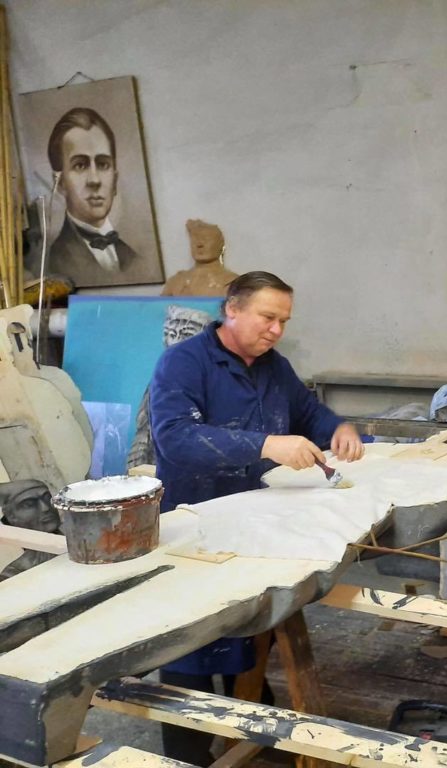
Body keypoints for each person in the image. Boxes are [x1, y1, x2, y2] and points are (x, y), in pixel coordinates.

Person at [149, 270, 364, 765]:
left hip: (257, 522)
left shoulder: (273, 366)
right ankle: (187, 752)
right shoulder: (183, 364)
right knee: (190, 644)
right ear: (232, 309)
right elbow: (176, 438)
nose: (276, 330)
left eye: (284, 321)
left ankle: (251, 723)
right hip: (195, 524)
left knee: (250, 624)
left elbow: (308, 413)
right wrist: (265, 444)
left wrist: (340, 428)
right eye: (268, 317)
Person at [46, 107, 148, 287]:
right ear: (60, 183)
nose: (95, 180)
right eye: (80, 165)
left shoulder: (134, 259)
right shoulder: (53, 264)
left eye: (103, 164)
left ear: (115, 180)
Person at [126, 305, 213, 470]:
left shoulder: (215, 381)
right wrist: (136, 464)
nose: (175, 342)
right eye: (172, 334)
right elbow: (144, 431)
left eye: (186, 335)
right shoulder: (162, 378)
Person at [0, 479, 60, 580]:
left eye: (47, 498)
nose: (45, 508)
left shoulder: (84, 538)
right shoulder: (14, 575)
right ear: (11, 516)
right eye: (29, 504)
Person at [161, 219, 239, 297]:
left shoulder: (233, 282)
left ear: (221, 245)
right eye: (195, 240)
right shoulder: (176, 282)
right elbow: (161, 304)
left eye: (206, 239)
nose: (199, 244)